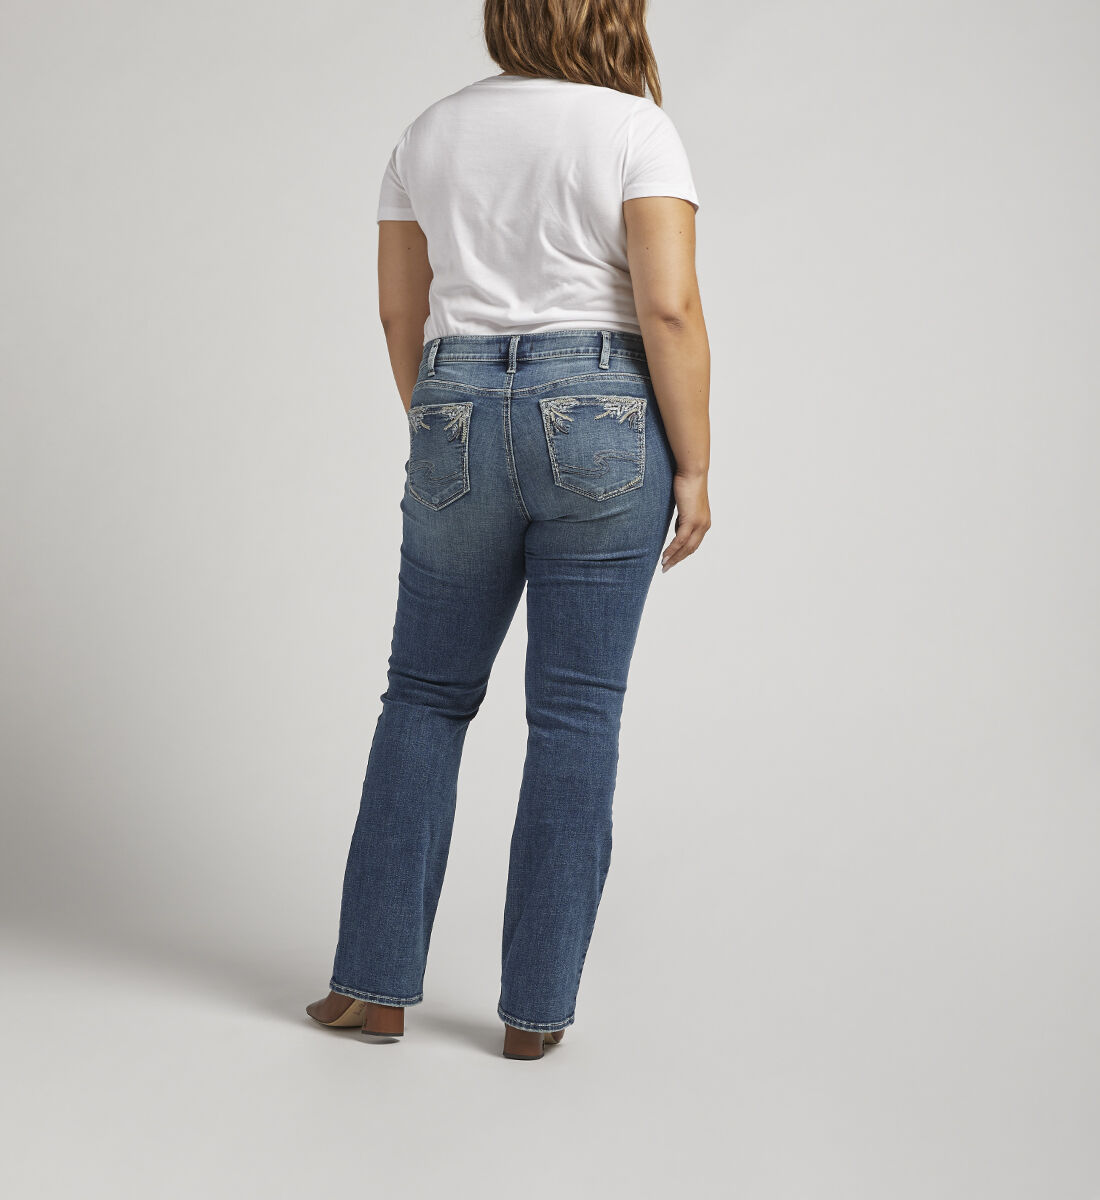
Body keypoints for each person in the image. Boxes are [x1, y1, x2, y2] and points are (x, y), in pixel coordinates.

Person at [307, 0, 711, 1061]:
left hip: (454, 400)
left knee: (424, 696)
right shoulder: (634, 129)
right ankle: (533, 1017)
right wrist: (694, 463)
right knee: (575, 716)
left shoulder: (429, 132)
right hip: (603, 414)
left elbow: (400, 313)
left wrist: (447, 425)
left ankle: (370, 987)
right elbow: (667, 309)